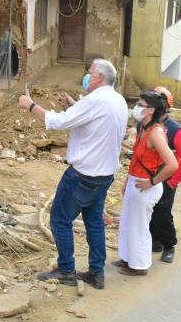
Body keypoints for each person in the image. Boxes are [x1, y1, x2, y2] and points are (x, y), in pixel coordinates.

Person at [18, 59, 128, 290]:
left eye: (89, 73)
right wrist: (74, 106)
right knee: (94, 223)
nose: (86, 77)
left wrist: (30, 105)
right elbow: (94, 122)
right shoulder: (117, 100)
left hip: (83, 175)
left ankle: (67, 269)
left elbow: (55, 122)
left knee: (59, 219)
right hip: (105, 174)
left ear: (98, 77)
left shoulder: (94, 100)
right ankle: (96, 273)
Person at [113, 91, 178, 276]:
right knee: (127, 223)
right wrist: (127, 180)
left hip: (145, 185)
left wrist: (152, 181)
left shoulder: (156, 133)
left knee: (139, 227)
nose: (137, 108)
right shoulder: (143, 128)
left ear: (150, 110)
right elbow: (136, 159)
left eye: (140, 104)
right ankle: (127, 258)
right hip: (136, 181)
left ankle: (140, 265)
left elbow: (172, 164)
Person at [148, 86, 181, 264]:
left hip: (166, 177)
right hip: (149, 174)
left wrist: (173, 182)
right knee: (149, 210)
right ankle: (155, 241)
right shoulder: (146, 125)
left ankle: (169, 245)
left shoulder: (176, 130)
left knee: (163, 212)